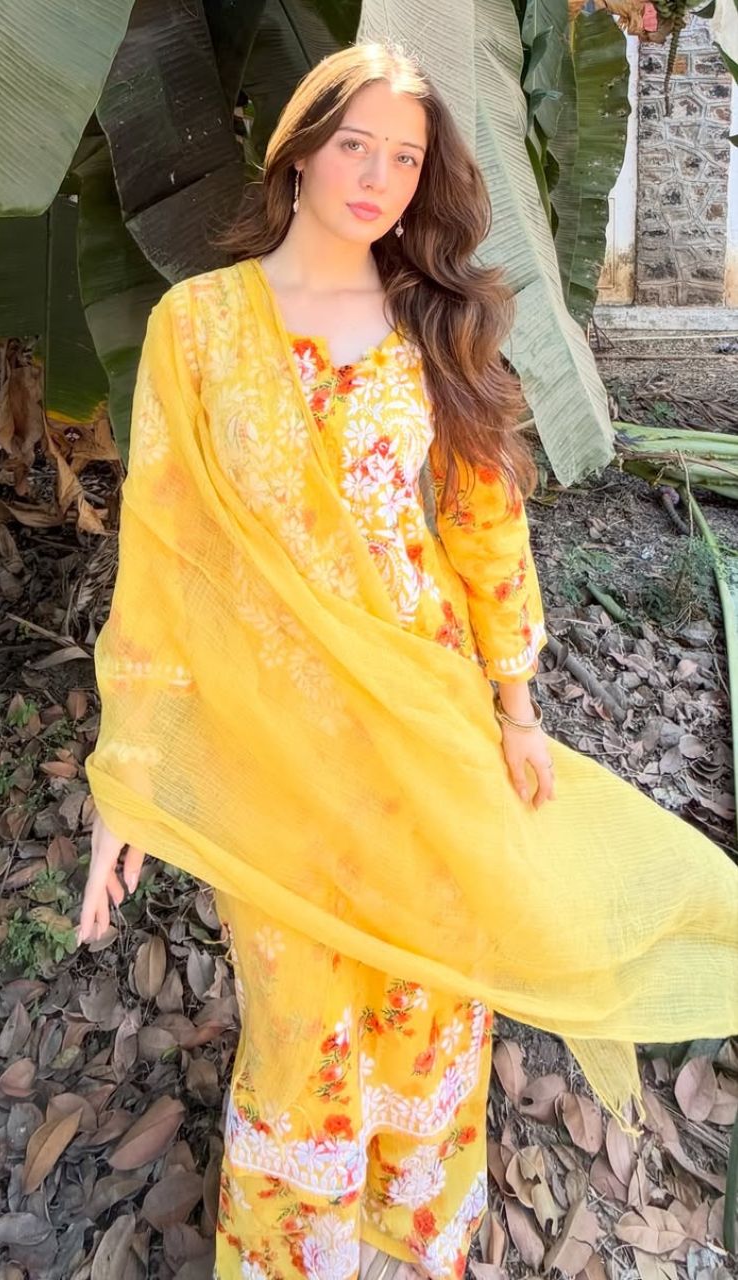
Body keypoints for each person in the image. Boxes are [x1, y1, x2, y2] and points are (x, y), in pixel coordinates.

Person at [79, 42, 738, 1280]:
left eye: (405, 156)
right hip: (273, 741)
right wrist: (130, 777)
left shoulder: (430, 321)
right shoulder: (198, 327)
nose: (378, 176)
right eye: (354, 145)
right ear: (297, 150)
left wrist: (519, 710)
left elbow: (486, 523)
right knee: (300, 1017)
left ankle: (410, 1241)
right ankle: (302, 1250)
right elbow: (162, 555)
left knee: (434, 995)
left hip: (425, 721)